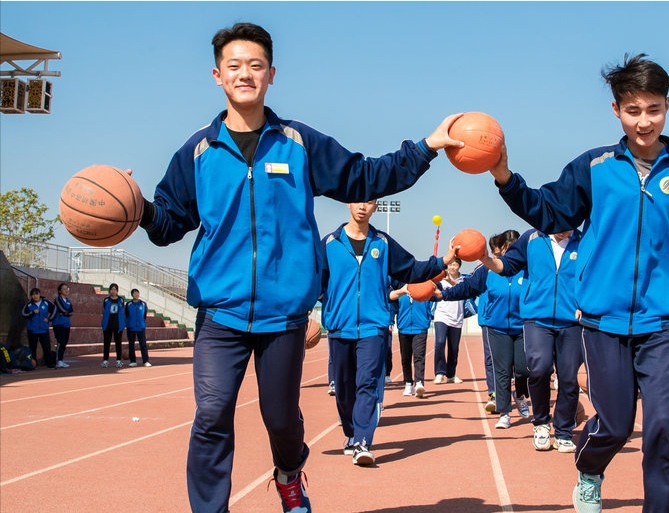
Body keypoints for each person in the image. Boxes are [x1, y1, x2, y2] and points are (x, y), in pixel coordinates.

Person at [136, 22, 464, 513]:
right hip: (220, 313)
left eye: (255, 65)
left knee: (281, 420)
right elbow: (167, 224)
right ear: (217, 75)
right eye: (234, 65)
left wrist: (426, 147)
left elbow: (364, 175)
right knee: (211, 414)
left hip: (283, 315)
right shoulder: (198, 152)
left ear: (271, 74)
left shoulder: (298, 143)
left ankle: (290, 475)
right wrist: (137, 209)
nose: (245, 74)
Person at [486, 54, 669, 512]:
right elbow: (548, 211)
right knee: (616, 425)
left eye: (653, 109)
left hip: (664, 321)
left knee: (662, 426)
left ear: (667, 106)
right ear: (616, 110)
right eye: (633, 110)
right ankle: (589, 469)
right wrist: (505, 177)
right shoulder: (595, 167)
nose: (644, 121)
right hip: (602, 321)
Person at [321, 200, 457, 466]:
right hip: (339, 326)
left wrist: (443, 261)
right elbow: (314, 280)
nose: (363, 206)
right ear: (348, 203)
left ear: (375, 207)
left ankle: (362, 441)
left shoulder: (383, 243)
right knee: (344, 389)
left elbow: (412, 269)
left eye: (369, 201)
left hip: (374, 326)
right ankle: (351, 431)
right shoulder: (329, 243)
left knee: (367, 384)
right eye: (358, 200)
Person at [479, 229, 584, 453]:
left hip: (571, 321)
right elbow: (506, 266)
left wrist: (587, 304)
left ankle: (564, 432)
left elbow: (595, 275)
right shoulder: (532, 238)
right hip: (537, 318)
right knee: (539, 369)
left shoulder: (583, 240)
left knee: (568, 378)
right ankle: (542, 424)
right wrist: (485, 259)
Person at [437, 230, 530, 430]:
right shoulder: (487, 270)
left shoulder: (528, 268)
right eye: (506, 248)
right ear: (501, 249)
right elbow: (467, 287)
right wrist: (443, 295)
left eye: (514, 248)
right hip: (496, 327)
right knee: (502, 370)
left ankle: (520, 394)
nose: (509, 252)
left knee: (523, 369)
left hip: (523, 327)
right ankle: (504, 412)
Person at [390, 282, 432, 398]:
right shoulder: (400, 289)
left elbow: (432, 302)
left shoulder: (424, 288)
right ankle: (408, 383)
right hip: (404, 328)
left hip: (420, 327)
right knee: (405, 358)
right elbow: (393, 306)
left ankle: (419, 383)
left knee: (419, 356)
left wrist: (427, 318)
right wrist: (391, 320)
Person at [432, 257, 465, 384]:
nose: (452, 267)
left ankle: (451, 375)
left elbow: (463, 289)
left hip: (457, 318)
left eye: (455, 265)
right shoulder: (440, 280)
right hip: (442, 316)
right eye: (450, 265)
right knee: (440, 343)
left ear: (459, 266)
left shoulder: (464, 280)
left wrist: (451, 281)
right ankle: (439, 372)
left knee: (454, 348)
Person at [21, 287, 56, 369]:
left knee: (46, 347)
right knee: (32, 348)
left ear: (39, 294)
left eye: (36, 294)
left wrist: (49, 319)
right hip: (32, 330)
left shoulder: (46, 302)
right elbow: (23, 314)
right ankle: (33, 364)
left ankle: (50, 363)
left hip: (44, 329)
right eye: (33, 295)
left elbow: (54, 309)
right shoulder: (29, 305)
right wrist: (32, 313)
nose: (35, 296)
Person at [101, 283, 125, 369]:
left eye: (115, 289)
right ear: (109, 290)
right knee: (106, 343)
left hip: (117, 324)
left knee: (118, 343)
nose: (113, 291)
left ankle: (118, 360)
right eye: (112, 289)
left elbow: (122, 311)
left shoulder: (121, 300)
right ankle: (105, 360)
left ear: (117, 291)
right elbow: (104, 310)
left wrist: (122, 324)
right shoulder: (106, 300)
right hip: (108, 324)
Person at [125, 288, 152, 367]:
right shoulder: (129, 304)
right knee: (131, 344)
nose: (136, 294)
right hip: (131, 327)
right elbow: (126, 314)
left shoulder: (143, 304)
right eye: (134, 293)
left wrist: (141, 322)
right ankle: (133, 361)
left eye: (137, 293)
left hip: (141, 327)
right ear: (132, 295)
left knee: (143, 344)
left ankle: (145, 361)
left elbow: (144, 315)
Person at [52, 283, 74, 368]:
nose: (66, 290)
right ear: (60, 291)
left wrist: (65, 313)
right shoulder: (58, 299)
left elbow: (71, 311)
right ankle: (58, 360)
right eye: (64, 289)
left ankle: (61, 359)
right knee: (60, 341)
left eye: (67, 288)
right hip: (58, 323)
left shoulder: (68, 301)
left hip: (66, 324)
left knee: (65, 342)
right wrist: (66, 312)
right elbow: (62, 309)